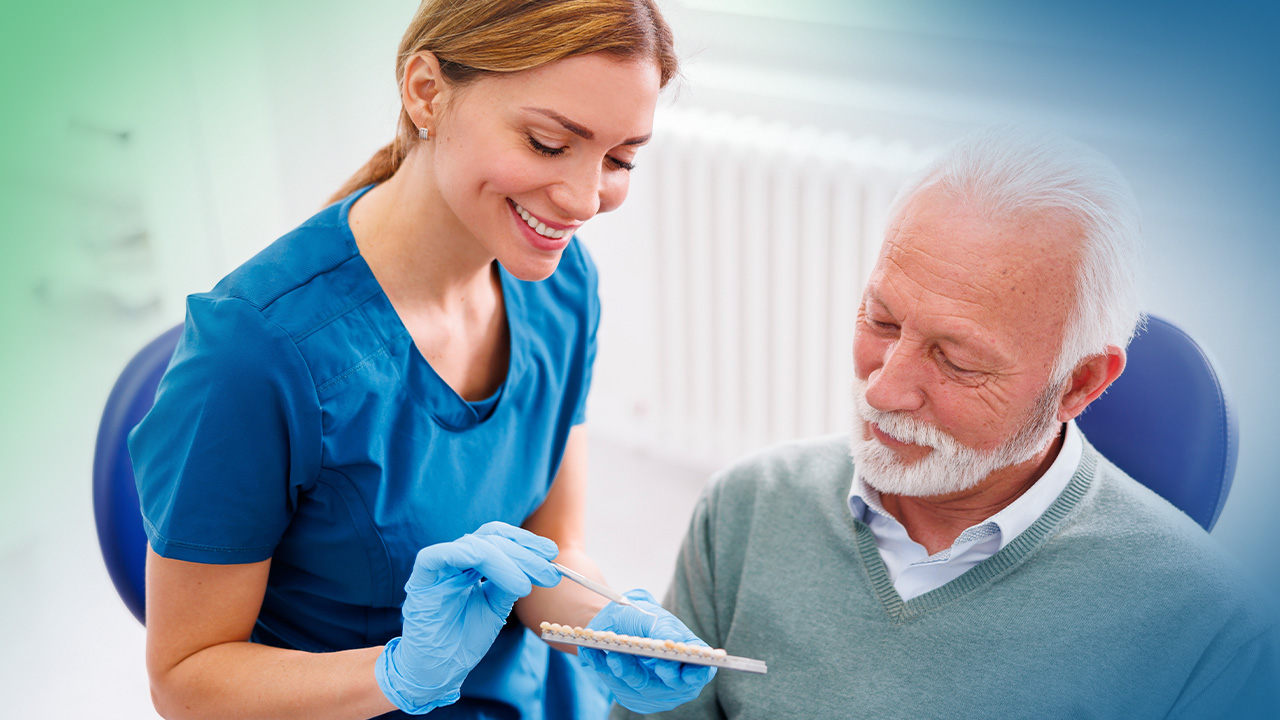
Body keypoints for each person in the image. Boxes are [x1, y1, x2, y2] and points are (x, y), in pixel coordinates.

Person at [127, 1, 715, 718]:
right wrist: (397, 675)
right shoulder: (257, 355)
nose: (585, 199)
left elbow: (550, 543)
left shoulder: (563, 283)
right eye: (547, 143)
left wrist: (602, 624)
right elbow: (185, 679)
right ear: (426, 92)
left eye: (621, 158)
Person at [614, 126, 1280, 719]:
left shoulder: (1214, 637)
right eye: (882, 321)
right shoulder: (746, 508)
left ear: (1078, 382)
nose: (885, 388)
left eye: (957, 360)